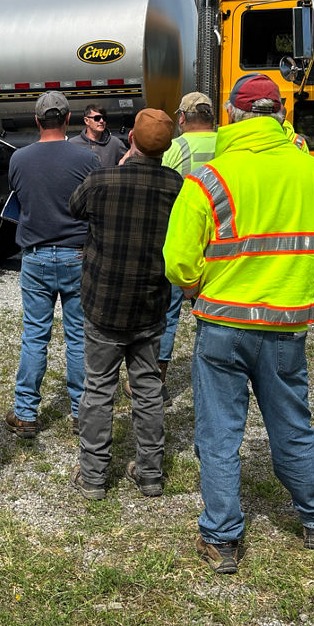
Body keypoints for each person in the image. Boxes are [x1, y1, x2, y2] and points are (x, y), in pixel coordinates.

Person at [164, 74, 314, 575]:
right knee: (292, 424)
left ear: (233, 114)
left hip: (222, 322)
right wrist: (294, 283)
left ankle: (222, 539)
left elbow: (178, 261)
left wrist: (202, 284)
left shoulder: (210, 178)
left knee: (219, 433)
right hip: (287, 326)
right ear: (281, 113)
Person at [68, 109, 182, 501]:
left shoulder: (102, 179)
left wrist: (120, 165)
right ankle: (150, 474)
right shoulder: (177, 185)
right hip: (151, 302)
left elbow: (74, 208)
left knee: (98, 388)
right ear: (167, 146)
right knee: (147, 387)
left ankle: (94, 477)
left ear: (130, 136)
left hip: (104, 303)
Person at [5, 91, 99, 437]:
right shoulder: (87, 159)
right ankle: (80, 412)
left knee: (35, 335)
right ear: (69, 119)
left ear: (36, 120)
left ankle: (26, 412)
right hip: (77, 253)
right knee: (77, 337)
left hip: (36, 255)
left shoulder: (19, 159)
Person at [157, 91, 221, 399]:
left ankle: (158, 382)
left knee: (168, 315)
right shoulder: (226, 145)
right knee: (212, 318)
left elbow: (162, 192)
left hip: (181, 242)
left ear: (182, 118)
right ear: (211, 118)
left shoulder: (176, 147)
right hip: (221, 246)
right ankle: (211, 383)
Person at [68, 103, 128, 168]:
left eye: (104, 118)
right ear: (86, 120)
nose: (101, 121)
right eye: (97, 118)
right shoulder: (73, 144)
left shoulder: (115, 143)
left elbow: (128, 164)